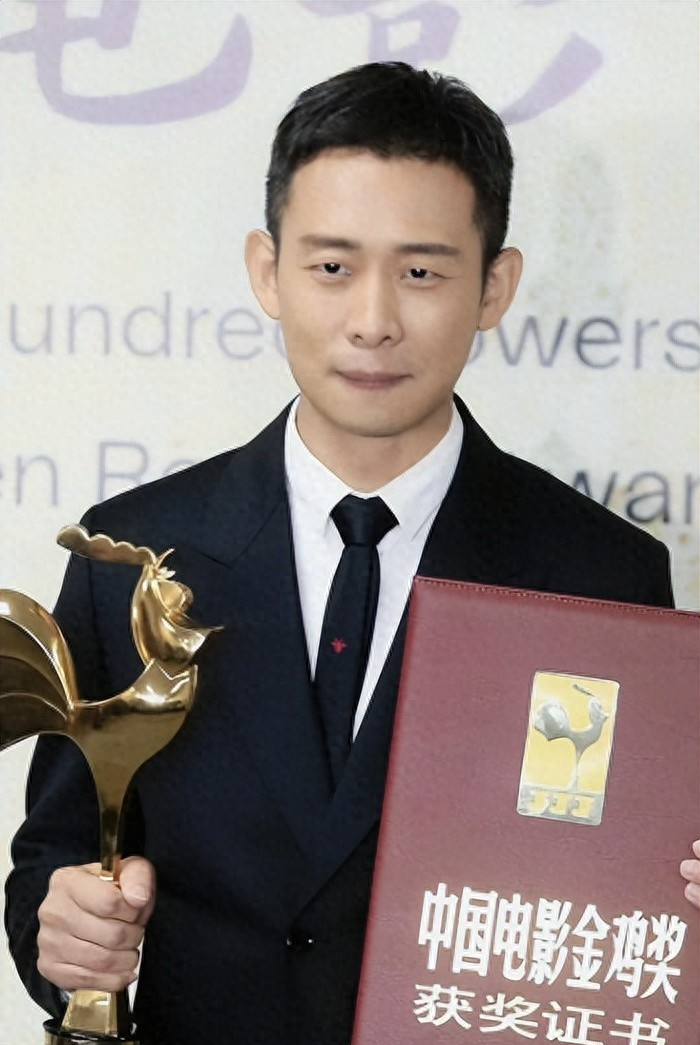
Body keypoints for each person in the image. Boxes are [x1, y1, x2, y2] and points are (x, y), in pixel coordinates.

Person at [5, 62, 699, 1045]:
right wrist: (67, 933)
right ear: (267, 270)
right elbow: (56, 858)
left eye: (421, 272)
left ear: (495, 286)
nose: (373, 320)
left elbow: (618, 901)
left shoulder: (602, 575)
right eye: (332, 267)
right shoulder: (133, 554)